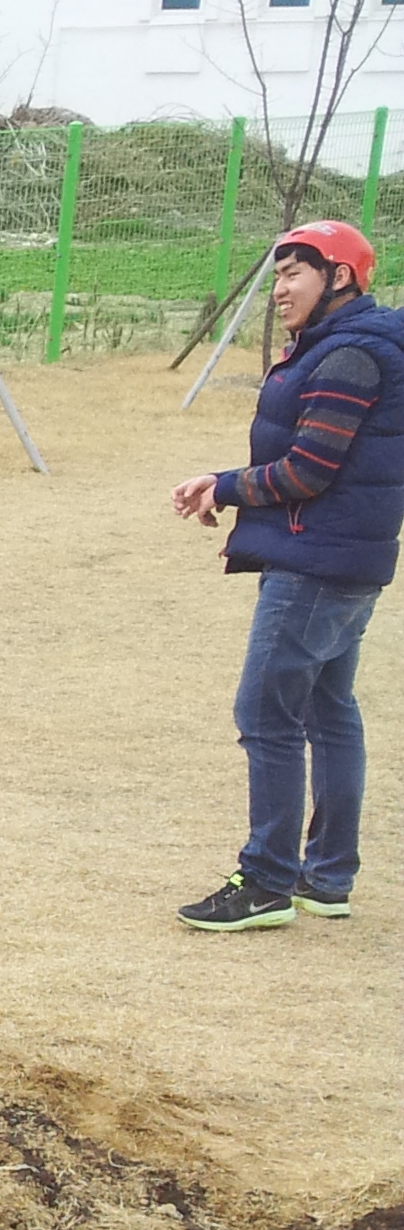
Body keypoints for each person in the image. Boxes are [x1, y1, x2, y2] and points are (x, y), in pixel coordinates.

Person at [169, 219, 404, 932]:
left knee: (267, 715)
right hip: (339, 557)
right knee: (329, 711)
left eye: (294, 272)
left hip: (317, 565)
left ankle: (267, 881)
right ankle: (327, 878)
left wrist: (226, 487)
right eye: (276, 275)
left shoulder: (349, 357)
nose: (279, 289)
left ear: (340, 277)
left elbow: (309, 470)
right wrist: (230, 489)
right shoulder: (346, 346)